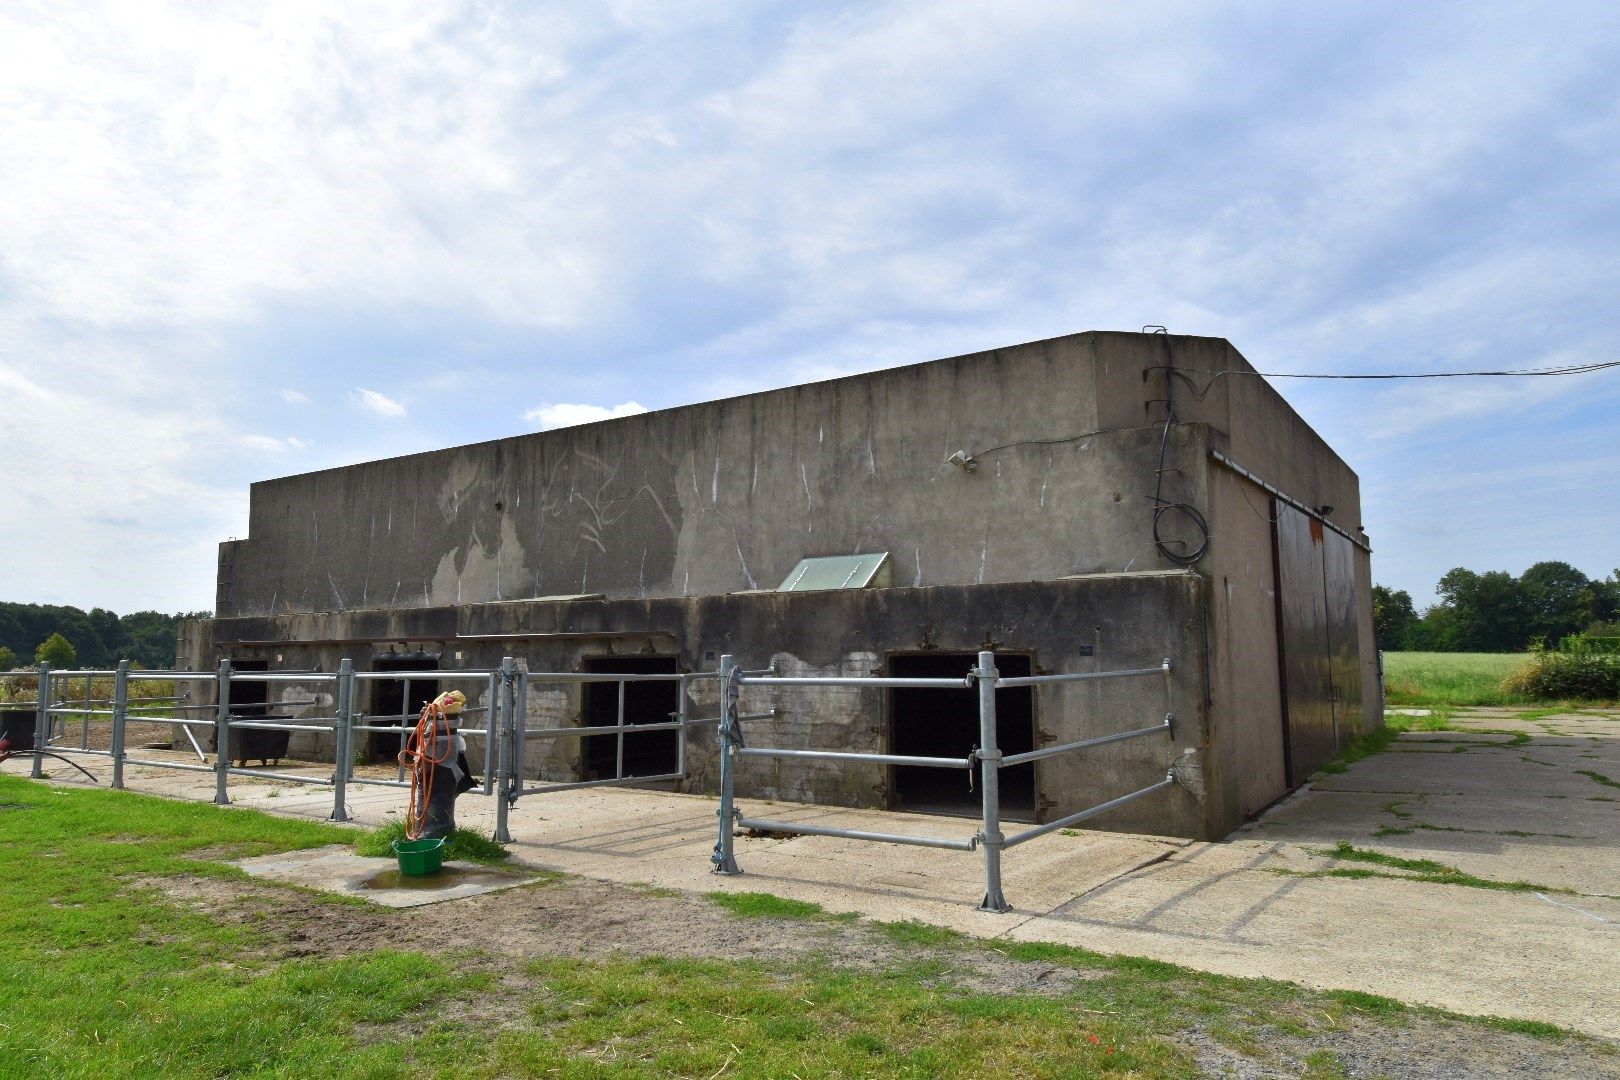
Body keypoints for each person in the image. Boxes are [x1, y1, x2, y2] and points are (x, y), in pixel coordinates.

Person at [406, 689, 480, 840]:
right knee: (431, 782)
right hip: (434, 753)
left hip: (443, 754)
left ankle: (434, 830)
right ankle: (428, 831)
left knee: (440, 780)